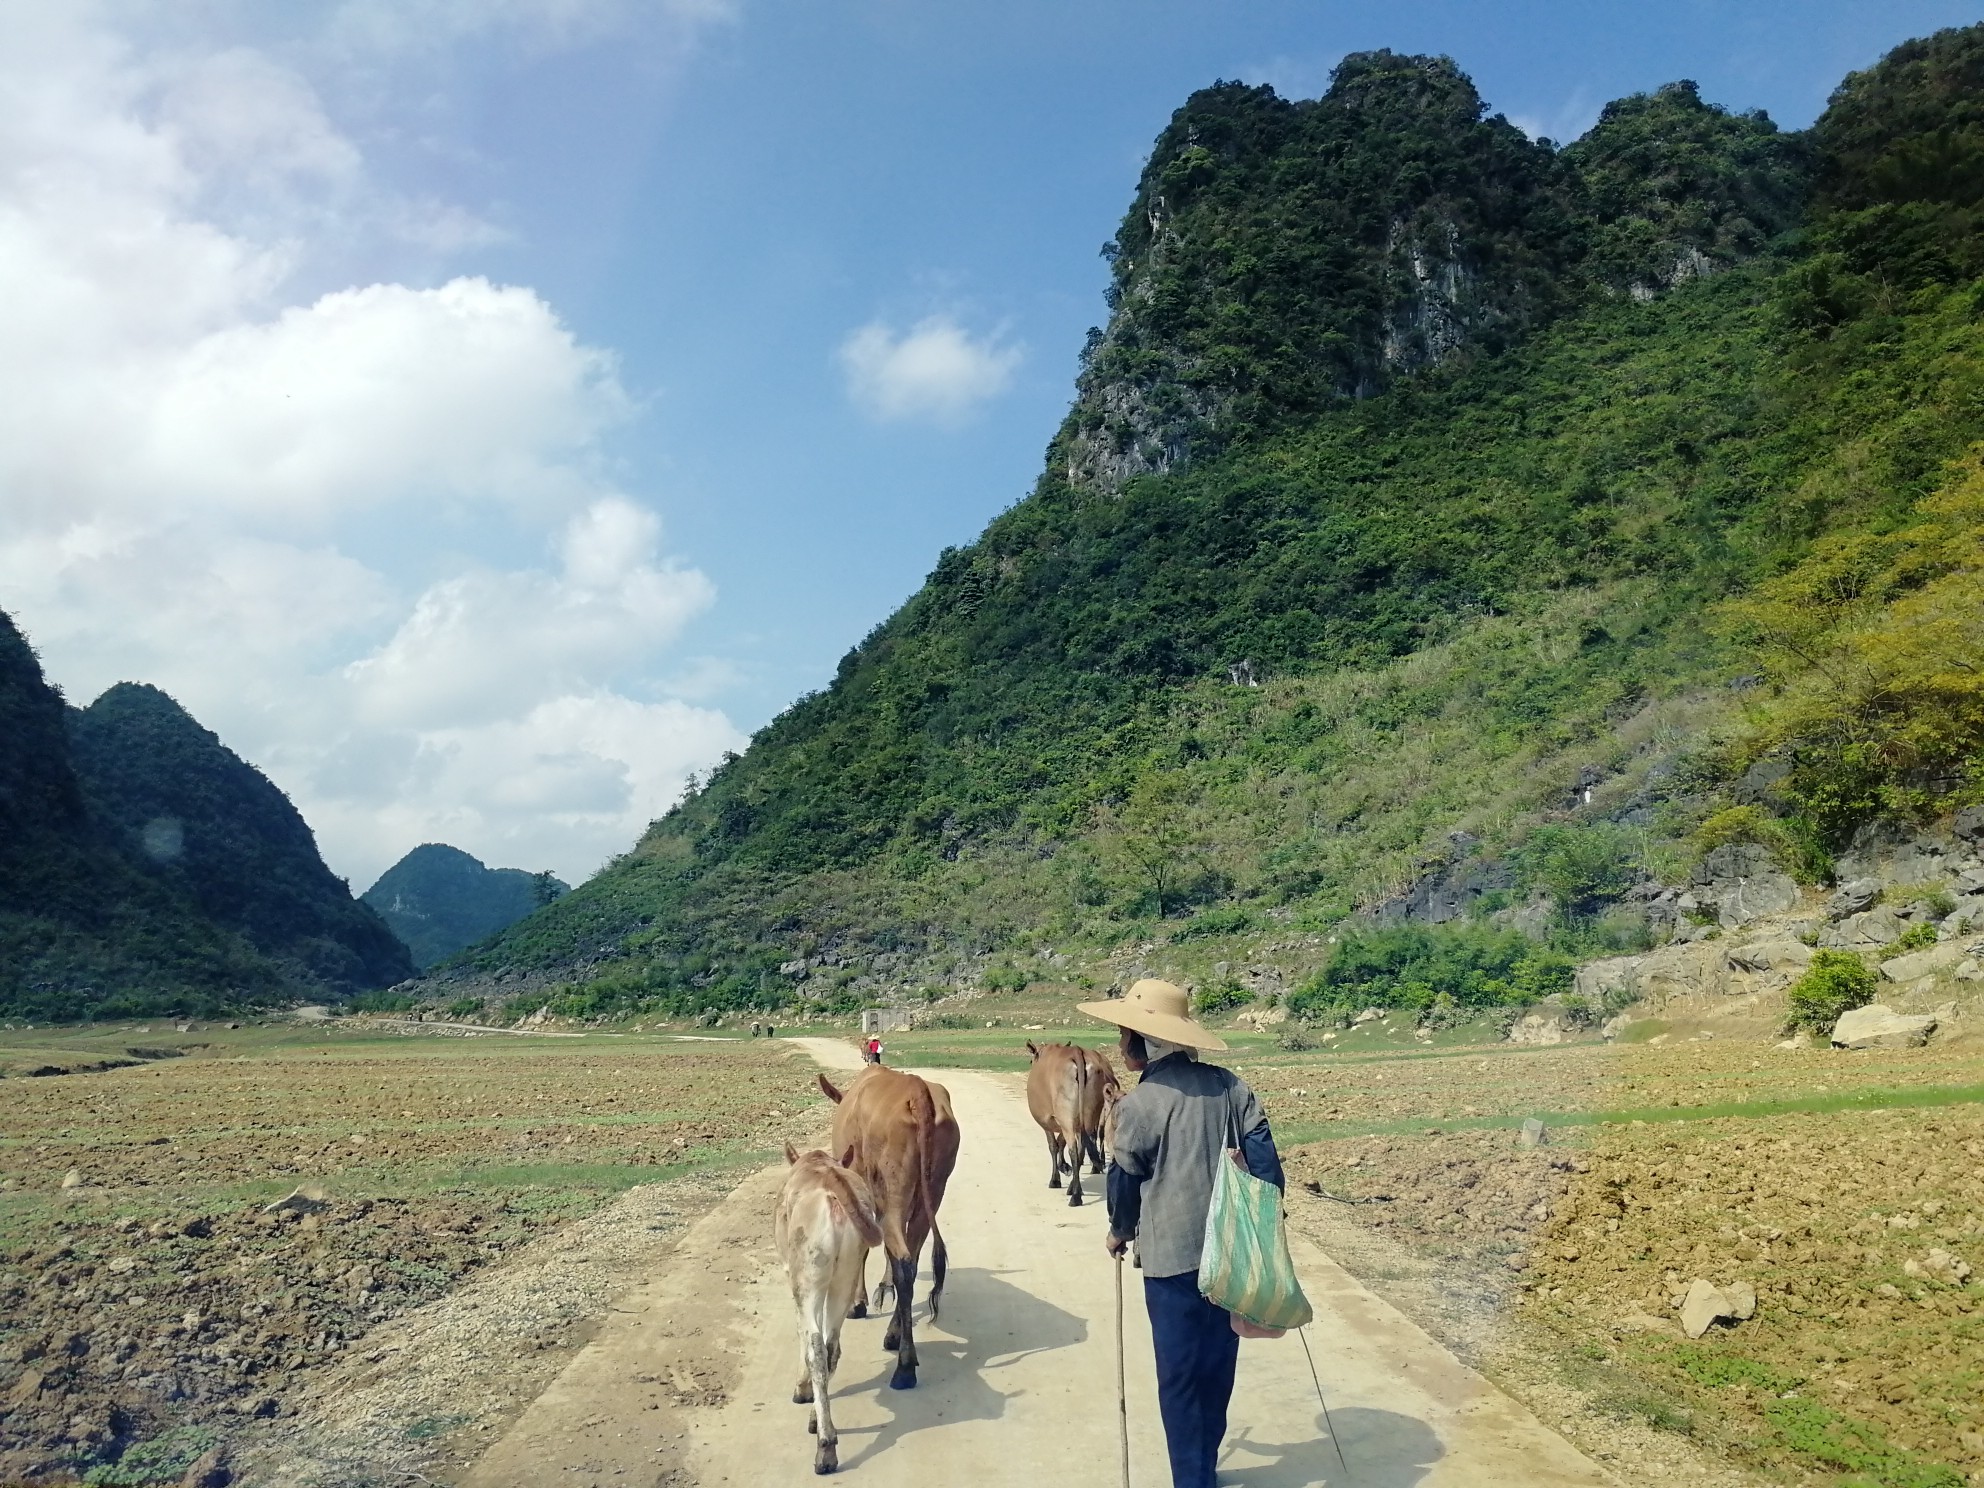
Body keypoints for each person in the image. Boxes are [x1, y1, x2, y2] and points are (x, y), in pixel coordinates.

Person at [1077, 978, 1284, 1488]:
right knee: (1216, 1371)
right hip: (1232, 1258)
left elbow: (1124, 1181)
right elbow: (1269, 1172)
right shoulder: (1231, 1086)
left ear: (1144, 1043)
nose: (1121, 1042)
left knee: (1180, 1380)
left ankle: (1192, 1481)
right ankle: (1203, 1471)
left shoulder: (1139, 1106)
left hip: (1173, 1265)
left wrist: (1119, 1231)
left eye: (1126, 1033)